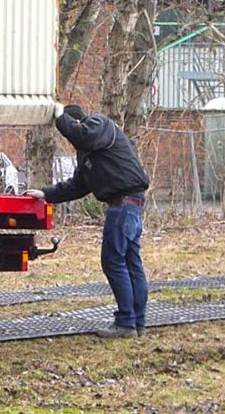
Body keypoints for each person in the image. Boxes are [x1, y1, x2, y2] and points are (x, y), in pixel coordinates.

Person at [26, 103, 150, 339]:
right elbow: (78, 185)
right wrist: (46, 194)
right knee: (131, 263)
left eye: (70, 130)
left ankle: (126, 323)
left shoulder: (98, 125)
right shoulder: (91, 152)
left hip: (123, 206)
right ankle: (137, 323)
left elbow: (81, 135)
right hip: (129, 206)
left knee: (113, 261)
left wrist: (59, 115)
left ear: (77, 122)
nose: (71, 141)